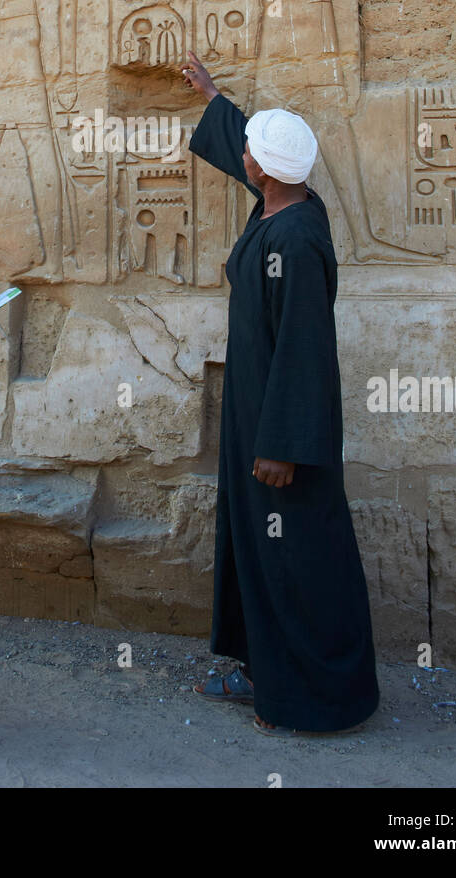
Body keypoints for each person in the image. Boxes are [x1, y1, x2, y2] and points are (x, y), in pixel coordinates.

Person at [183, 50, 379, 735]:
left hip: (278, 433)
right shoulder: (284, 209)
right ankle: (265, 671)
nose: (241, 156)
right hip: (254, 417)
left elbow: (304, 350)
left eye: (247, 150)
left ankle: (317, 699)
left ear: (262, 169)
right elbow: (257, 160)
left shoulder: (293, 241)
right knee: (257, 550)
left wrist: (281, 444)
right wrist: (214, 98)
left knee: (295, 556)